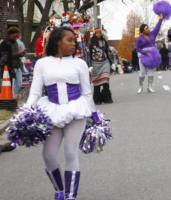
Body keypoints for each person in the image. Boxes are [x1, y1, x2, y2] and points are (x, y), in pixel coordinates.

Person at [25, 27, 101, 200]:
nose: (74, 44)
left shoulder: (79, 64)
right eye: (70, 40)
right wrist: (26, 111)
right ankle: (59, 189)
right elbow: (35, 93)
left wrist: (94, 115)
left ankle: (70, 196)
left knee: (70, 152)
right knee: (49, 155)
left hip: (76, 111)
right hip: (52, 111)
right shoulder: (42, 64)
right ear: (57, 41)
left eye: (75, 41)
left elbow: (87, 92)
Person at [136, 14, 163, 93]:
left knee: (151, 72)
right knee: (142, 73)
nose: (148, 29)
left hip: (152, 55)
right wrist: (145, 53)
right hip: (143, 56)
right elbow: (137, 48)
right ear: (142, 30)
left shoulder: (152, 34)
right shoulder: (140, 38)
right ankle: (140, 86)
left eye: (148, 28)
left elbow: (157, 28)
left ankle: (150, 87)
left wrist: (160, 19)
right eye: (146, 28)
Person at [89, 28, 113, 104]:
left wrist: (111, 62)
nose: (98, 34)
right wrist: (90, 65)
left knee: (105, 81)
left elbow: (107, 52)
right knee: (97, 83)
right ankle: (97, 99)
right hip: (95, 64)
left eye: (100, 33)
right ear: (95, 34)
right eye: (97, 33)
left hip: (105, 62)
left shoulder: (104, 41)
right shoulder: (91, 43)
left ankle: (107, 98)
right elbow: (89, 55)